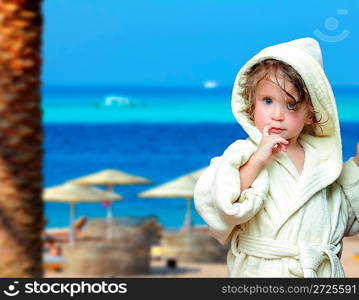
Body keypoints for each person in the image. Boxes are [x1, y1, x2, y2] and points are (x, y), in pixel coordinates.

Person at [194, 37, 359, 277]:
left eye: (291, 105)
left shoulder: (323, 162)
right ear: (251, 105)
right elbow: (222, 203)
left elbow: (341, 217)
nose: (277, 115)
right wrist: (258, 160)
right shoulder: (244, 153)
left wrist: (355, 167)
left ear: (312, 114)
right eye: (267, 101)